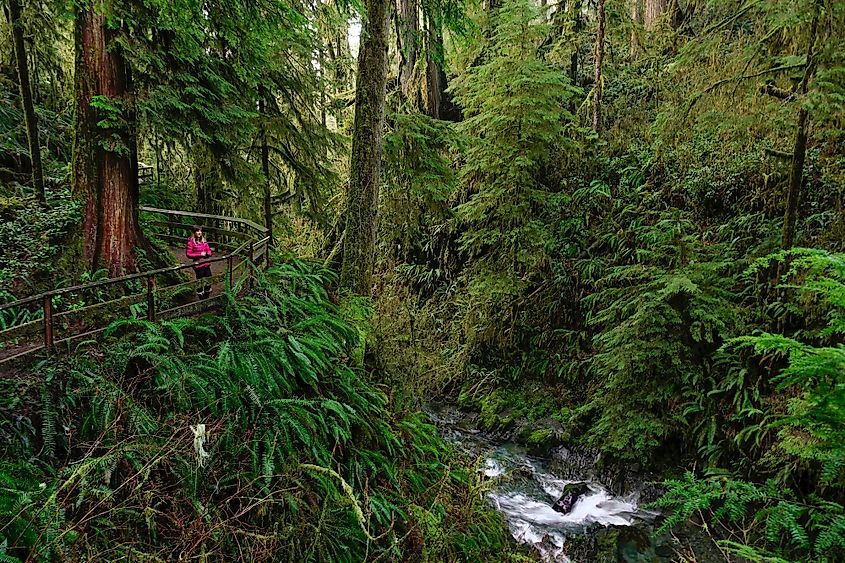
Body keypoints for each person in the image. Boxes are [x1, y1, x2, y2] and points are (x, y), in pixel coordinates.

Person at [186, 225, 213, 299]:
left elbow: (209, 250)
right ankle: (201, 297)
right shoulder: (191, 242)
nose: (199, 232)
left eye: (200, 231)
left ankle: (207, 296)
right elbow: (188, 254)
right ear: (194, 232)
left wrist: (208, 254)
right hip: (198, 264)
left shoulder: (204, 241)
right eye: (197, 231)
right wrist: (200, 254)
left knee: (209, 278)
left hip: (206, 263)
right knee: (200, 280)